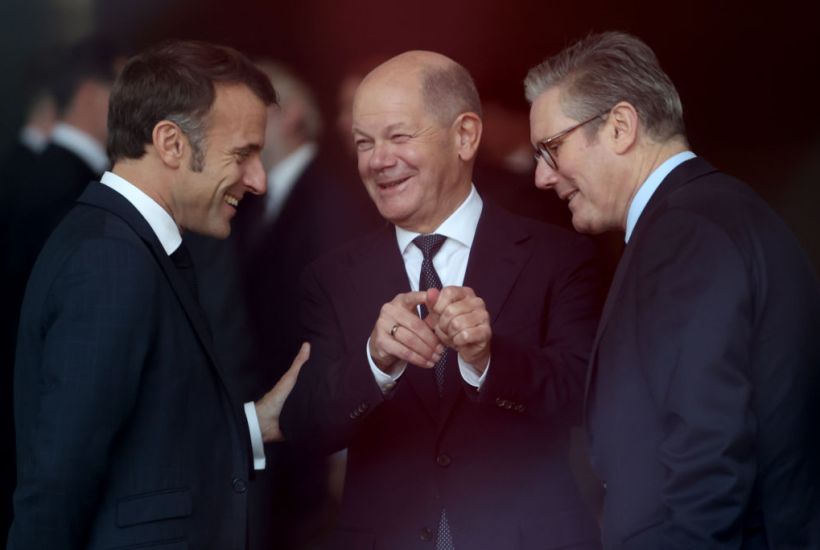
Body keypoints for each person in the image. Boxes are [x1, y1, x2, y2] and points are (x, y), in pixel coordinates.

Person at [281, 50, 603, 549]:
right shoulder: (331, 277)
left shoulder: (557, 256)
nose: (377, 160)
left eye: (398, 136)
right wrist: (373, 363)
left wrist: (488, 359)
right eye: (364, 143)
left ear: (465, 136)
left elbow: (585, 398)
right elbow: (306, 428)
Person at [525, 31, 820, 549]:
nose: (541, 179)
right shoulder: (711, 214)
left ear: (620, 127)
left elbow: (708, 446)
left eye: (551, 149)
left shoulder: (686, 232)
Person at [8, 40, 307, 550]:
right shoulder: (110, 260)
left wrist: (257, 422)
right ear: (170, 143)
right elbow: (56, 485)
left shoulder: (128, 246)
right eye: (242, 154)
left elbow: (144, 448)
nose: (258, 180)